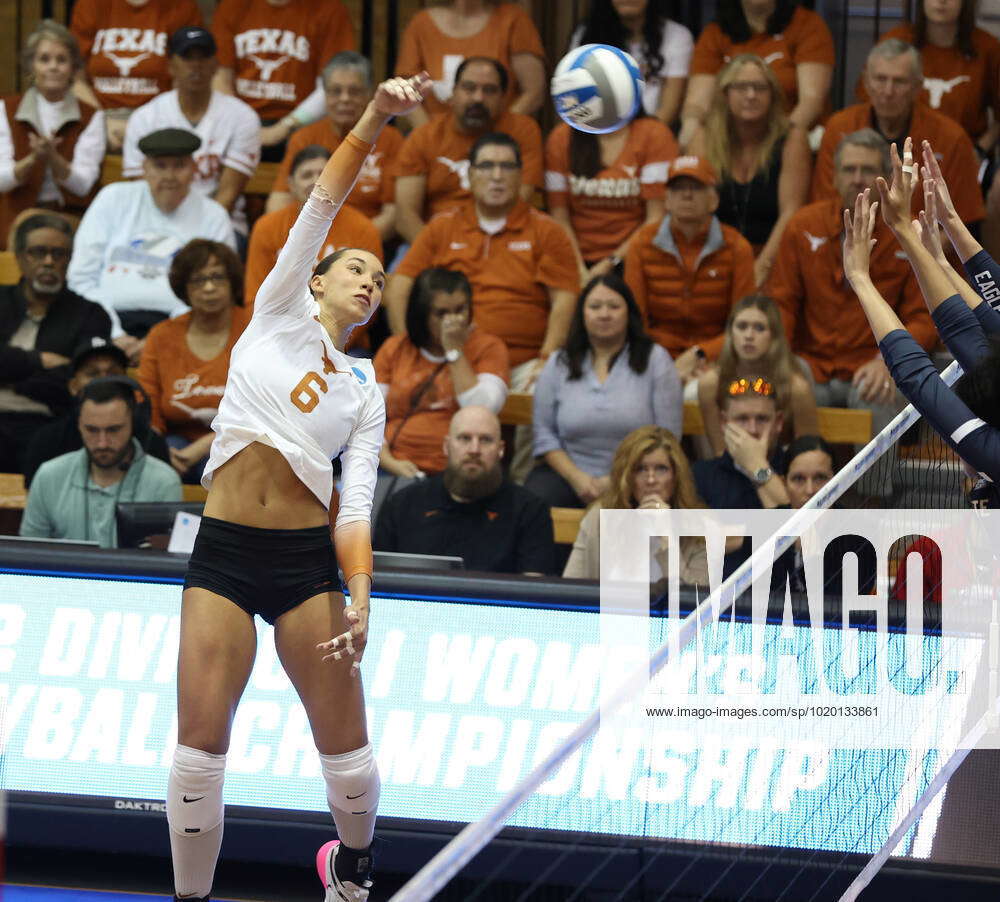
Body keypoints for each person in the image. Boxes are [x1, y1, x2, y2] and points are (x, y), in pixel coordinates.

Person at [166, 73, 429, 902]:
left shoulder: (363, 389)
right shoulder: (277, 310)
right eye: (355, 267)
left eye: (380, 279)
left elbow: (354, 509)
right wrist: (379, 117)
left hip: (303, 564)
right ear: (315, 280)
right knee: (198, 748)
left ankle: (351, 869)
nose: (369, 280)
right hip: (225, 552)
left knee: (347, 756)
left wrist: (359, 595)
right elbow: (325, 196)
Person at [846, 137, 1000, 512]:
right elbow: (969, 330)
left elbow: (919, 376)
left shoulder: (992, 453)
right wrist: (933, 248)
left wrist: (861, 279)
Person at [768, 129, 934, 436]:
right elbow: (782, 302)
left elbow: (923, 317)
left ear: (886, 177)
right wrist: (782, 360)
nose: (857, 178)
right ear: (834, 176)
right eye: (849, 169)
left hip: (873, 362)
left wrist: (890, 361)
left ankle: (876, 487)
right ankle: (797, 482)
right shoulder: (803, 225)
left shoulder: (909, 233)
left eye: (867, 170)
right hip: (811, 362)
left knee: (876, 394)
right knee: (787, 387)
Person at [387, 132, 579, 376]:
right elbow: (400, 288)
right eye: (487, 166)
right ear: (470, 174)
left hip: (525, 364)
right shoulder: (442, 227)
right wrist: (414, 352)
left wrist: (547, 358)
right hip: (450, 360)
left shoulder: (548, 231)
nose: (497, 176)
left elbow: (564, 300)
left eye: (507, 167)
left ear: (521, 175)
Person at [67, 127, 235, 359]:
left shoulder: (213, 216)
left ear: (194, 169)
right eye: (160, 166)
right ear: (144, 168)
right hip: (104, 319)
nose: (169, 176)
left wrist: (160, 337)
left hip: (183, 326)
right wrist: (114, 333)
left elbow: (215, 287)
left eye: (179, 165)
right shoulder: (112, 198)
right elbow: (81, 278)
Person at [526, 273, 683, 508]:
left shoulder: (656, 359)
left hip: (640, 475)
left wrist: (618, 480)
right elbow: (544, 434)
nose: (604, 314)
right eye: (595, 306)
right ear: (582, 313)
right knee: (535, 501)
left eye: (614, 306)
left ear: (628, 313)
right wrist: (578, 479)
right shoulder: (559, 362)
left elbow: (668, 436)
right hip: (570, 475)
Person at [811, 40, 985, 228]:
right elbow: (825, 205)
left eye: (899, 81)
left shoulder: (951, 138)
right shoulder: (839, 127)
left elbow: (965, 221)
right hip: (850, 240)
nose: (888, 91)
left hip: (925, 248)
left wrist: (918, 254)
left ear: (917, 87)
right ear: (866, 82)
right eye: (880, 79)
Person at [373, 405, 556, 575]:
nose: (474, 449)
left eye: (485, 440)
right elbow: (377, 581)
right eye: (464, 438)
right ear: (446, 446)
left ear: (500, 450)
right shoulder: (402, 505)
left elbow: (534, 592)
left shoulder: (530, 511)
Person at [623, 155, 756, 386]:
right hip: (655, 355)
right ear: (666, 199)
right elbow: (635, 321)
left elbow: (744, 325)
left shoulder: (737, 248)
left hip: (717, 358)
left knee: (704, 390)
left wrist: (701, 354)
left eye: (696, 188)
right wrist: (660, 361)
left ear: (713, 199)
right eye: (678, 188)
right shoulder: (641, 244)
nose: (686, 195)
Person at [122, 27, 261, 240]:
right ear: (171, 66)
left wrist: (195, 238)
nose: (196, 65)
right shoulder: (145, 117)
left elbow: (227, 196)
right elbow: (144, 188)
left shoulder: (242, 117)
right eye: (187, 57)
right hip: (154, 221)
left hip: (219, 223)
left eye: (203, 57)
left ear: (215, 65)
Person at [374, 267, 509, 484]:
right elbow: (366, 418)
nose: (453, 320)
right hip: (394, 466)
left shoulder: (489, 347)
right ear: (421, 314)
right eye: (442, 313)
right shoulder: (395, 349)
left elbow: (483, 407)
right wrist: (388, 461)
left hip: (461, 472)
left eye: (460, 310)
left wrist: (454, 351)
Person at [687, 54, 811, 286]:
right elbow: (694, 210)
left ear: (772, 95)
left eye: (760, 88)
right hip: (715, 258)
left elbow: (791, 213)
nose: (751, 95)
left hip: (773, 260)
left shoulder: (792, 138)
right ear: (725, 94)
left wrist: (759, 270)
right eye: (741, 87)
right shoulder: (702, 138)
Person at [0, 213, 111, 473]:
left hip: (48, 423)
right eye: (38, 252)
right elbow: (62, 373)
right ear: (19, 257)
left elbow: (80, 381)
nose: (49, 262)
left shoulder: (90, 315)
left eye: (58, 254)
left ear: (69, 260)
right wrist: (37, 361)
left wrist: (10, 374)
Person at [393, 57, 543, 243]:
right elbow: (405, 217)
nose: (478, 98)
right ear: (453, 93)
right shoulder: (424, 137)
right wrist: (438, 257)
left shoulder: (522, 131)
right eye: (469, 88)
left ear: (503, 98)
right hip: (432, 244)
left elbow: (518, 203)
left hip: (503, 240)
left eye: (489, 90)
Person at [19, 376, 182, 547]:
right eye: (92, 430)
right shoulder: (49, 476)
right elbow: (29, 554)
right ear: (79, 425)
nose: (102, 443)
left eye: (113, 430)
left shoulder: (163, 481)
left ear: (134, 425)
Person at [137, 240, 249, 484]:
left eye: (217, 277)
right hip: (177, 445)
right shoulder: (161, 336)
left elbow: (262, 408)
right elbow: (149, 407)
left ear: (232, 282)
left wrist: (200, 449)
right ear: (183, 287)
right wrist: (158, 450)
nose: (209, 288)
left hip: (244, 441)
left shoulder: (254, 328)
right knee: (159, 470)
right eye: (198, 280)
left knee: (213, 468)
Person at [265, 52, 403, 240]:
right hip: (308, 242)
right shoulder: (304, 137)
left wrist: (346, 247)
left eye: (354, 91)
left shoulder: (391, 140)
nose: (344, 98)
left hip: (362, 242)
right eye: (335, 91)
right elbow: (279, 202)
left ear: (370, 93)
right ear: (325, 94)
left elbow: (392, 214)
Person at [0, 20, 105, 248]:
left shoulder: (91, 116)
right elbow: (2, 180)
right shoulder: (5, 109)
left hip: (70, 217)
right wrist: (33, 159)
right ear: (31, 65)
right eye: (44, 59)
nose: (53, 67)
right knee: (26, 228)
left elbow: (83, 185)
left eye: (62, 60)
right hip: (16, 217)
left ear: (73, 67)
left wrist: (53, 158)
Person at [563, 425, 708, 586]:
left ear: (676, 476)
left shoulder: (699, 527)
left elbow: (696, 603)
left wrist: (668, 539)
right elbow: (570, 589)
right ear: (627, 477)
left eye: (661, 469)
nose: (651, 480)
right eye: (641, 469)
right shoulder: (600, 517)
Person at [210, 0, 356, 160]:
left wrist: (284, 127)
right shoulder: (232, 6)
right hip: (241, 120)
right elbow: (219, 76)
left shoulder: (329, 9)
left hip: (301, 122)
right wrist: (241, 124)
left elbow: (330, 87)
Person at [544, 107, 677, 281]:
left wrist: (610, 263)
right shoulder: (561, 137)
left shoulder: (653, 133)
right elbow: (559, 217)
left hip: (635, 256)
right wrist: (579, 270)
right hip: (575, 257)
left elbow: (655, 219)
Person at [680, 0, 834, 146]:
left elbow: (811, 102)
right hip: (728, 144)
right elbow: (697, 104)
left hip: (791, 139)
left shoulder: (807, 25)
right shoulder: (714, 33)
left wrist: (774, 146)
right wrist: (690, 131)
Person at [246, 146, 382, 309]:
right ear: (291, 184)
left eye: (324, 174)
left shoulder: (364, 229)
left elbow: (368, 300)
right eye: (306, 175)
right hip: (279, 326)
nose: (316, 182)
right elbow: (254, 296)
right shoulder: (267, 227)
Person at [23, 336, 171, 485]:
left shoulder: (150, 442)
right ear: (73, 386)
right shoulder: (47, 442)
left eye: (113, 373)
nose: (104, 380)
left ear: (127, 382)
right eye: (92, 374)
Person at [859, 0, 1000, 152]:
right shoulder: (896, 40)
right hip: (899, 151)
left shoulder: (988, 48)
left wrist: (979, 151)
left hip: (962, 154)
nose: (941, 2)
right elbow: (866, 105)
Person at [69, 0, 204, 150]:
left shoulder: (181, 6)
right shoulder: (91, 4)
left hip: (159, 119)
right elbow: (75, 79)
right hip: (101, 117)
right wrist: (99, 122)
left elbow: (186, 76)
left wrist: (146, 124)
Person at [693, 374, 790, 577]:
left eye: (762, 419)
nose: (752, 430)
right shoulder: (699, 476)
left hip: (783, 594)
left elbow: (797, 533)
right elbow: (696, 546)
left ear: (778, 422)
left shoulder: (796, 472)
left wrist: (756, 466)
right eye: (742, 419)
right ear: (723, 422)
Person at [697, 294, 818, 456]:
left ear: (774, 336)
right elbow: (719, 452)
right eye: (741, 326)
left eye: (759, 328)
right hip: (731, 467)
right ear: (731, 333)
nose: (748, 336)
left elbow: (808, 453)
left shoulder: (797, 389)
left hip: (781, 469)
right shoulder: (710, 385)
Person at [395, 0, 546, 126]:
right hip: (435, 143)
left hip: (496, 146)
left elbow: (534, 92)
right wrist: (431, 139)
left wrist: (495, 135)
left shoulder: (513, 20)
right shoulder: (421, 24)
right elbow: (407, 91)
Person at [770, 434, 877, 597]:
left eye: (820, 478)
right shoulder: (768, 527)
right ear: (784, 483)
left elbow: (841, 609)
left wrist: (811, 557)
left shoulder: (860, 534)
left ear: (836, 480)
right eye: (798, 479)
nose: (810, 490)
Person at [569, 0, 695, 128]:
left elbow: (669, 110)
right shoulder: (586, 35)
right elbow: (575, 102)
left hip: (652, 134)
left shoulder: (677, 35)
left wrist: (635, 141)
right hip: (596, 134)